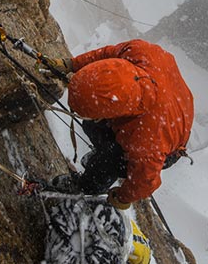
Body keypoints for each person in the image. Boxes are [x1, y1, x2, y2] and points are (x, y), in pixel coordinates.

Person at [53, 39, 194, 209]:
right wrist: (72, 64)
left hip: (169, 142)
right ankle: (104, 156)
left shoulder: (146, 139)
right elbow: (106, 54)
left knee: (110, 159)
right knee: (92, 127)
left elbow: (145, 181)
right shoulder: (138, 51)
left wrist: (123, 197)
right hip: (165, 107)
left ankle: (86, 187)